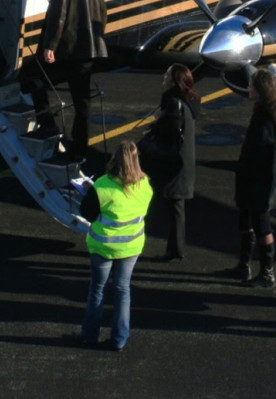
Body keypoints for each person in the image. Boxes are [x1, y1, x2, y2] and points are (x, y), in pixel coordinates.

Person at [29, 0, 107, 156]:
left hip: (70, 50)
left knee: (34, 78)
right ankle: (80, 145)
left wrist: (50, 45)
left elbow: (59, 13)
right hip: (89, 48)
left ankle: (48, 124)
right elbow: (102, 10)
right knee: (82, 100)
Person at [78, 140, 153, 352]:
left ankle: (89, 335)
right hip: (131, 246)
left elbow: (87, 213)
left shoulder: (102, 186)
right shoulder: (145, 184)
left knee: (98, 290)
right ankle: (119, 339)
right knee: (122, 290)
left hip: (103, 247)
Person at [231, 68, 276, 288]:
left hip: (259, 177)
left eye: (251, 86)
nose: (248, 89)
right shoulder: (274, 110)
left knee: (261, 223)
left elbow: (261, 148)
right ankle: (244, 265)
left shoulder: (266, 116)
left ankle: (267, 273)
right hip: (259, 175)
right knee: (248, 218)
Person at [141, 63, 199, 262]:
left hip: (174, 163)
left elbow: (170, 131)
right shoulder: (189, 100)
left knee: (174, 207)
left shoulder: (173, 102)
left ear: (174, 80)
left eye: (166, 74)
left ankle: (175, 250)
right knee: (176, 207)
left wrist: (157, 122)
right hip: (183, 160)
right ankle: (175, 249)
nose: (163, 77)